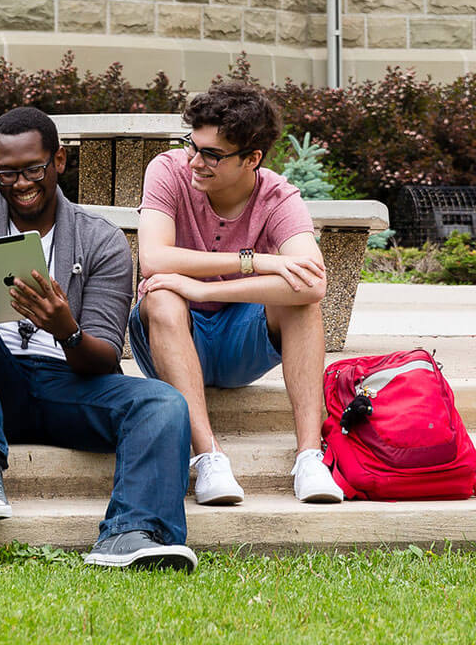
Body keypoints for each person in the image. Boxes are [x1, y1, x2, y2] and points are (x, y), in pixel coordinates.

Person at [0, 106, 196, 571]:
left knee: (163, 403)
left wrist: (65, 328)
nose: (21, 183)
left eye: (33, 169)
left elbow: (105, 359)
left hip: (68, 381)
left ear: (59, 162)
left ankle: (131, 533)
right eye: (6, 173)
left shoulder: (100, 239)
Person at [129, 81, 344, 506]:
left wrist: (196, 281)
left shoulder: (278, 197)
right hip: (171, 333)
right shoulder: (168, 170)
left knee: (302, 302)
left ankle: (309, 457)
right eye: (193, 145)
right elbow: (154, 259)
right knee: (162, 295)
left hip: (237, 341)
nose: (195, 161)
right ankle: (208, 457)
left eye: (212, 154)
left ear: (252, 159)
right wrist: (257, 261)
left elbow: (314, 281)